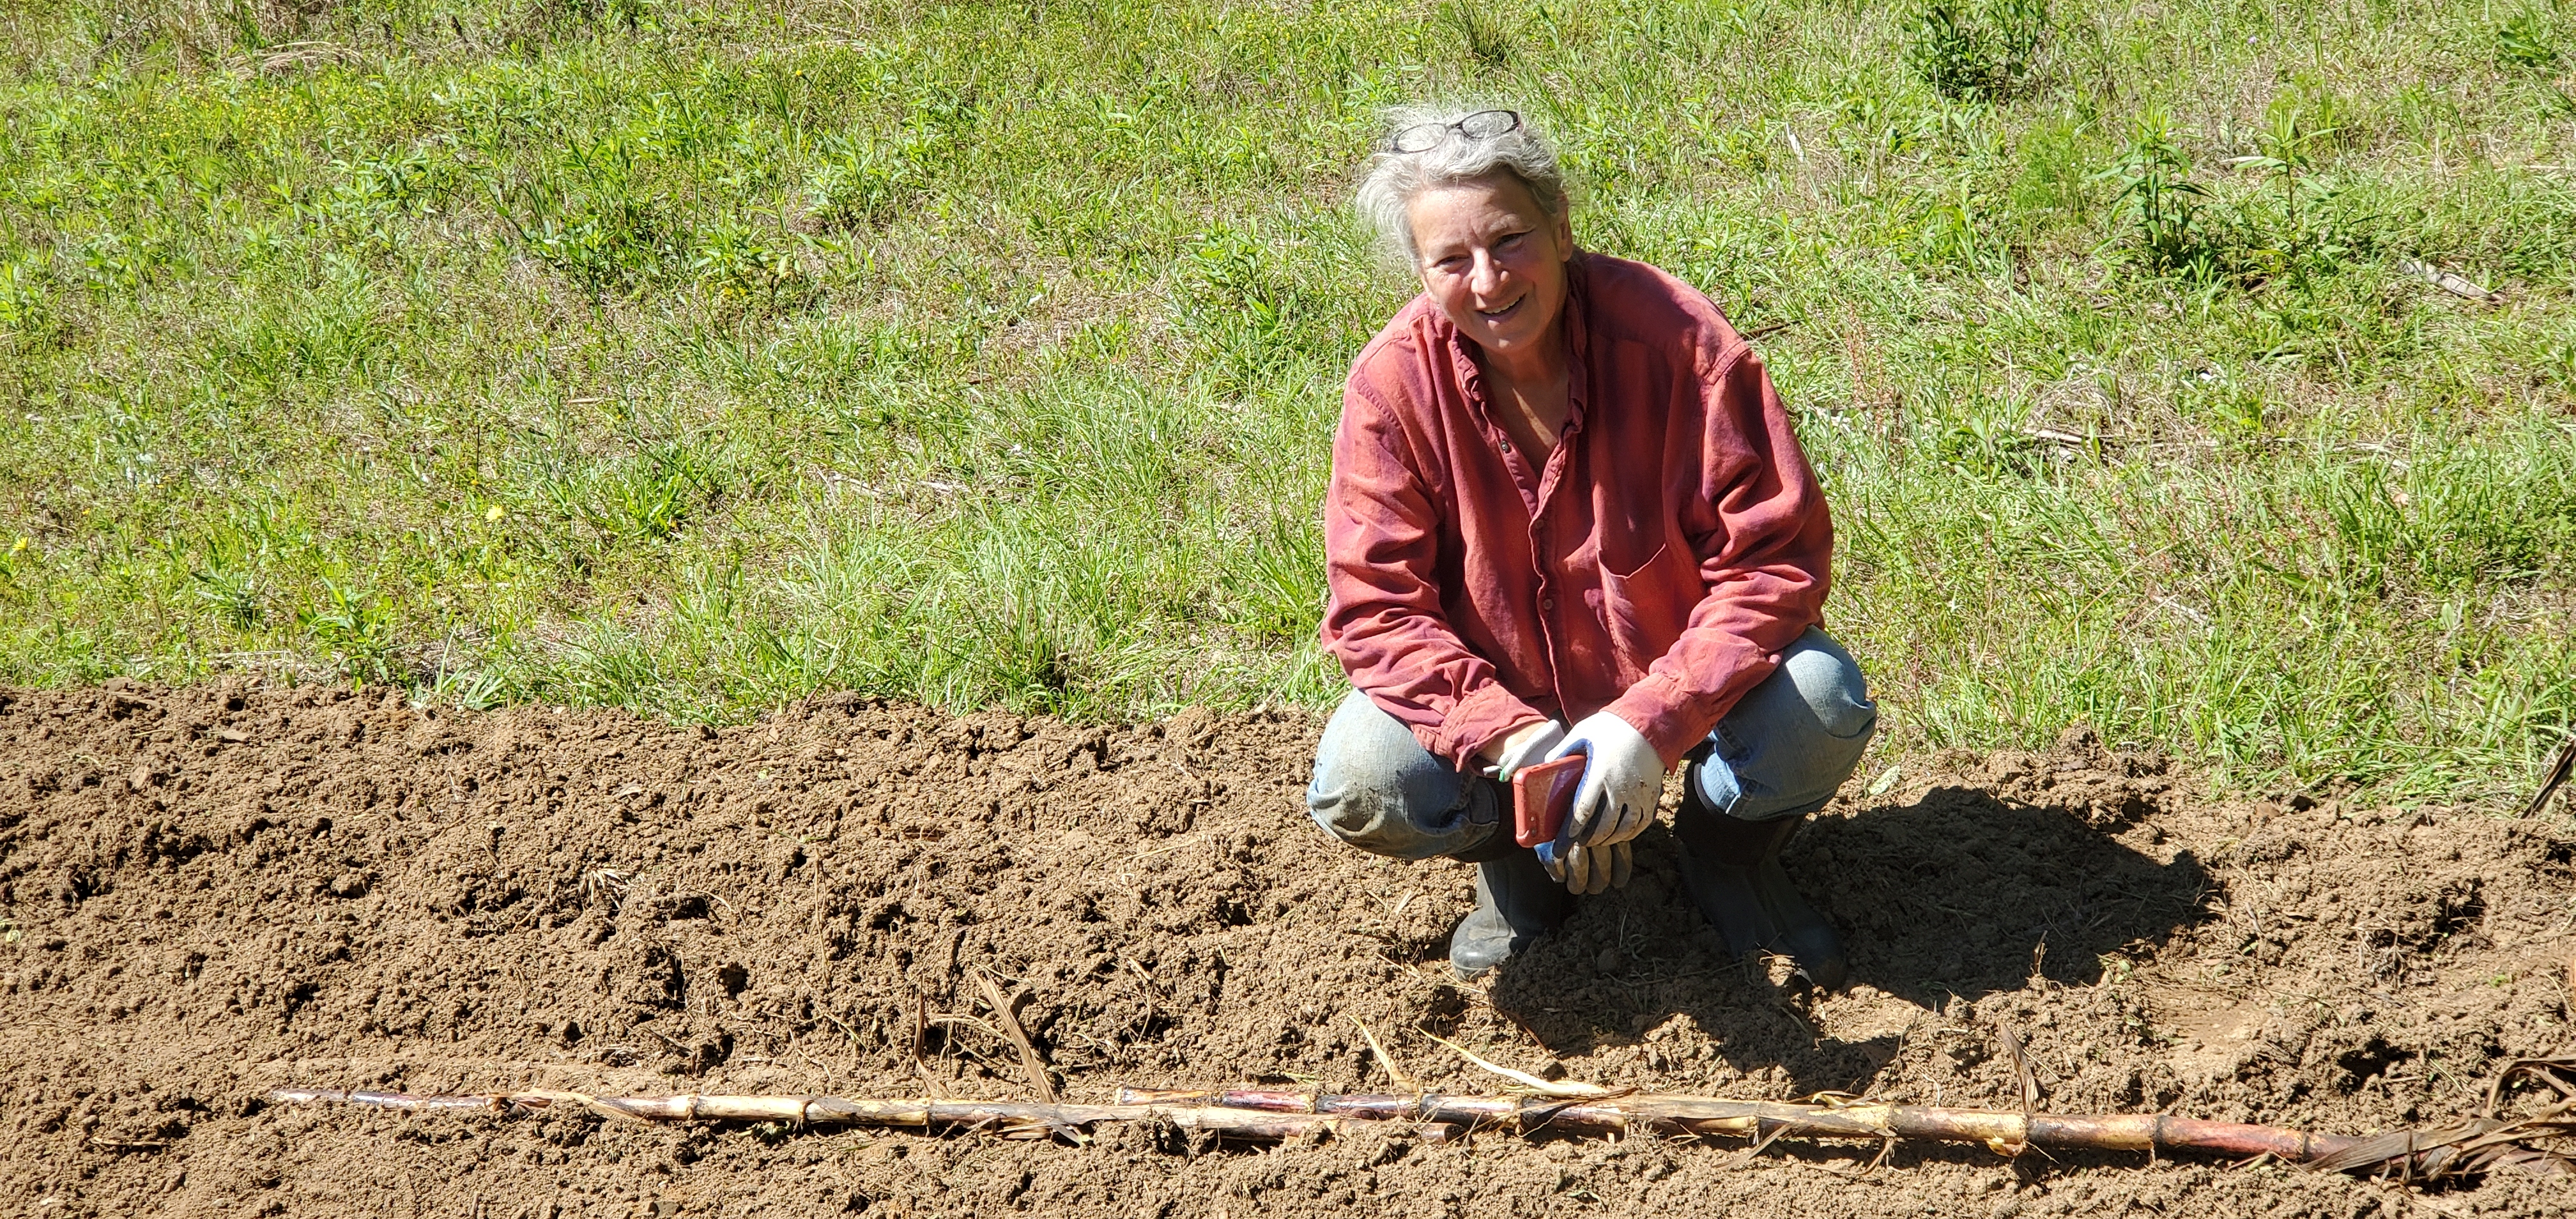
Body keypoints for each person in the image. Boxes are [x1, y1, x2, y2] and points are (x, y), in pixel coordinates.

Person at [1305, 105, 1879, 985]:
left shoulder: (1680, 345)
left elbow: (1773, 560)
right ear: (1421, 272)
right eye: (1452, 260)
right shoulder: (1392, 390)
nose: (1489, 281)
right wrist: (1516, 747)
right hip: (1503, 711)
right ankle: (1517, 867)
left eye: (1509, 241)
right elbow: (1376, 611)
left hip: (1677, 681)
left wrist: (1648, 728)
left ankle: (1726, 859)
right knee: (1364, 777)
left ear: (1561, 226)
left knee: (1821, 702)